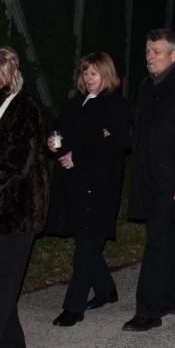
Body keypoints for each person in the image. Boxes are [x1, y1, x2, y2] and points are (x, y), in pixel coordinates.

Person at [124, 28, 175, 331]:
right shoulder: (146, 85)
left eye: (156, 52)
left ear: (174, 55)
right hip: (148, 176)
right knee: (168, 239)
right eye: (148, 51)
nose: (150, 57)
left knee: (157, 243)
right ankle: (172, 298)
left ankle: (147, 311)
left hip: (171, 180)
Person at [45, 52, 131, 327]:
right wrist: (53, 141)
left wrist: (79, 156)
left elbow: (116, 144)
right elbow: (61, 127)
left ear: (106, 74)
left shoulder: (116, 104)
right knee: (86, 239)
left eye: (94, 72)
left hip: (98, 186)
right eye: (85, 72)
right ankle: (105, 289)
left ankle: (74, 307)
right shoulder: (76, 101)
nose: (89, 77)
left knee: (87, 243)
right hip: (74, 183)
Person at [0, 46, 49, 347]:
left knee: (5, 283)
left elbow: (17, 162)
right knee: (5, 287)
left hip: (20, 211)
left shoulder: (24, 107)